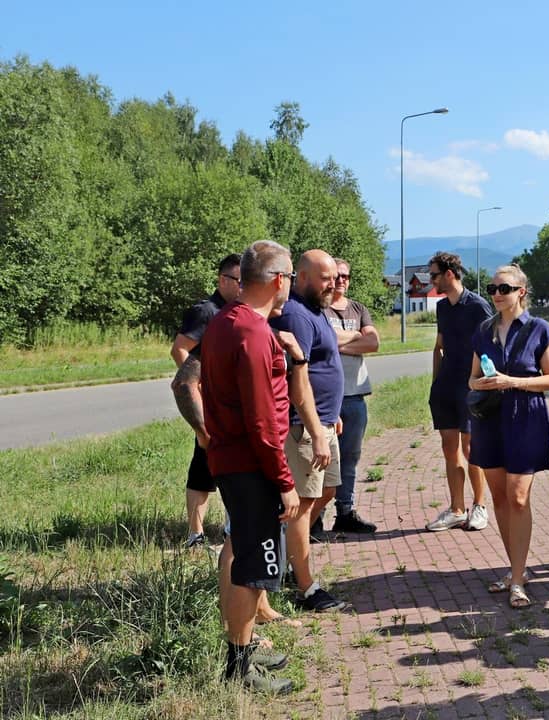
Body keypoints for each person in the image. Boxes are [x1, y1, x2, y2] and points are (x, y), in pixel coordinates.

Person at [198, 239, 299, 694]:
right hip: (251, 466)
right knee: (255, 567)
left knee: (244, 555)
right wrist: (284, 481)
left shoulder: (225, 322)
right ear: (277, 280)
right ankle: (238, 670)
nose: (290, 284)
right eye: (290, 276)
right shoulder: (254, 333)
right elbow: (262, 422)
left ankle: (243, 649)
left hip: (231, 459)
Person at [467, 266, 549, 609]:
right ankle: (515, 569)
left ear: (521, 291)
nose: (496, 294)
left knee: (518, 497)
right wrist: (481, 384)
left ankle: (518, 580)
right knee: (501, 498)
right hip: (490, 419)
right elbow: (471, 379)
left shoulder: (539, 328)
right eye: (492, 288)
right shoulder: (483, 330)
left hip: (526, 417)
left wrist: (512, 382)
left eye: (504, 288)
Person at [269, 249, 348, 613]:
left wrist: (331, 415)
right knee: (301, 506)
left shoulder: (316, 310)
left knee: (326, 491)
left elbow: (321, 367)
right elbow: (295, 379)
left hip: (324, 422)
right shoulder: (297, 316)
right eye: (325, 278)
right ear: (301, 277)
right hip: (304, 428)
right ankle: (304, 587)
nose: (333, 283)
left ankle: (287, 554)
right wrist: (316, 429)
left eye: (335, 277)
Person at [170, 253, 242, 548]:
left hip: (230, 405)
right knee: (203, 468)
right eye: (239, 281)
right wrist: (201, 387)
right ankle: (195, 535)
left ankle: (230, 530)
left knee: (230, 467)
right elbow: (179, 349)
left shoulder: (237, 311)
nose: (244, 287)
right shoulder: (207, 311)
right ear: (222, 280)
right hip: (209, 405)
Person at [426, 252, 494, 532]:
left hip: (470, 387)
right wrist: (435, 384)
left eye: (434, 275)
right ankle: (456, 509)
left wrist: (483, 385)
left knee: (470, 448)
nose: (431, 280)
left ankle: (479, 506)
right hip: (445, 387)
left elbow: (491, 348)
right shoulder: (442, 308)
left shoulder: (478, 306)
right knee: (449, 447)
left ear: (449, 274)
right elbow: (439, 346)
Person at [322, 258, 378, 535]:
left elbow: (373, 342)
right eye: (337, 275)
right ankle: (315, 517)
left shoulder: (358, 308)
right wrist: (354, 336)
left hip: (355, 397)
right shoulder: (319, 307)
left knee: (350, 457)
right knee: (321, 458)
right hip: (326, 399)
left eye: (346, 276)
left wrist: (335, 343)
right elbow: (322, 339)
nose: (342, 280)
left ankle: (345, 512)